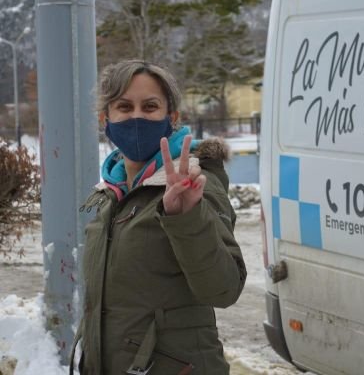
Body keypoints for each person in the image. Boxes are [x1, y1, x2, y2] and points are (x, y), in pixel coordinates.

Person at [70, 59, 247, 375]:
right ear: (105, 118)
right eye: (124, 106)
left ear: (172, 117)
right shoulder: (112, 193)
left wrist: (187, 218)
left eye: (150, 106)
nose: (136, 116)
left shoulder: (194, 184)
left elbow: (223, 290)